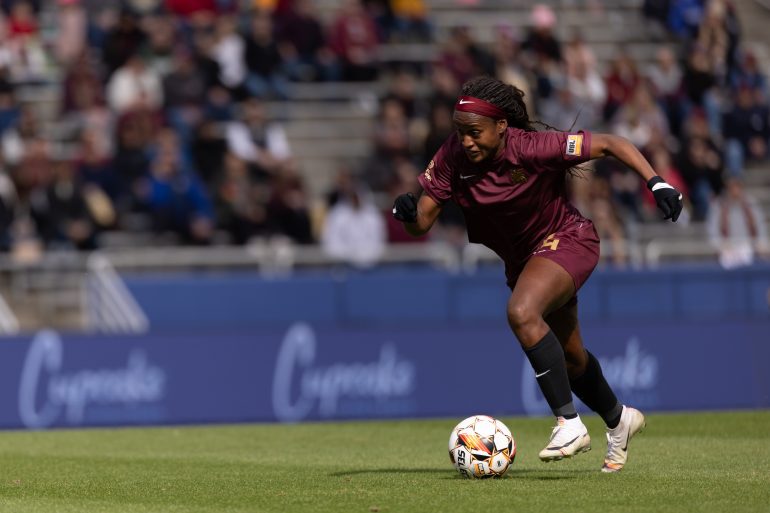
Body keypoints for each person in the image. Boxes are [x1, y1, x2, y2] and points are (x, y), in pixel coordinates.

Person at [391, 76, 683, 472]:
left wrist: (657, 182)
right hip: (525, 263)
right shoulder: (452, 157)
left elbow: (611, 144)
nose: (466, 141)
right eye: (460, 132)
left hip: (568, 240)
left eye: (475, 132)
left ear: (501, 127)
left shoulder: (532, 147)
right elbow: (422, 222)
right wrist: (409, 214)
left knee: (522, 311)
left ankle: (569, 423)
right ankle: (619, 420)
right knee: (573, 360)